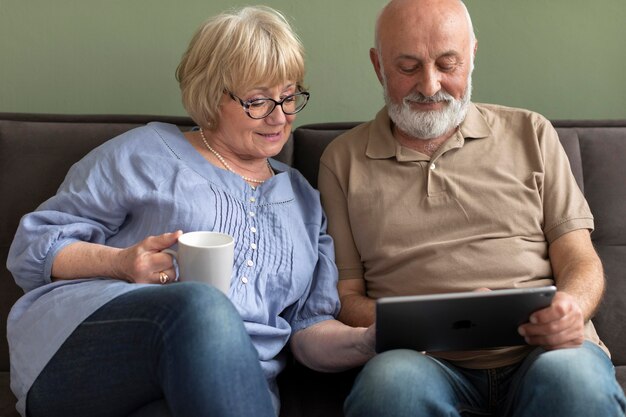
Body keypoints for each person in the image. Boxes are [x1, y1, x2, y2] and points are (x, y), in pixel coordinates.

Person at [6, 6, 375, 417]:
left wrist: (367, 341)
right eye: (257, 101)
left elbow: (307, 330)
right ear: (211, 94)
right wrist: (122, 263)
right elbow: (32, 247)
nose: (278, 117)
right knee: (202, 305)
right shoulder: (146, 154)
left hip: (218, 389)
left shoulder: (305, 201)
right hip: (90, 355)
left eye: (289, 97)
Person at [317, 0, 626, 416]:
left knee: (576, 382)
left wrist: (571, 306)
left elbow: (580, 259)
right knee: (390, 387)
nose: (429, 86)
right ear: (378, 65)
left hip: (544, 352)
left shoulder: (531, 133)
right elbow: (347, 298)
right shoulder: (342, 161)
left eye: (448, 64)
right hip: (422, 359)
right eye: (408, 68)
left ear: (472, 56)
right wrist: (442, 319)